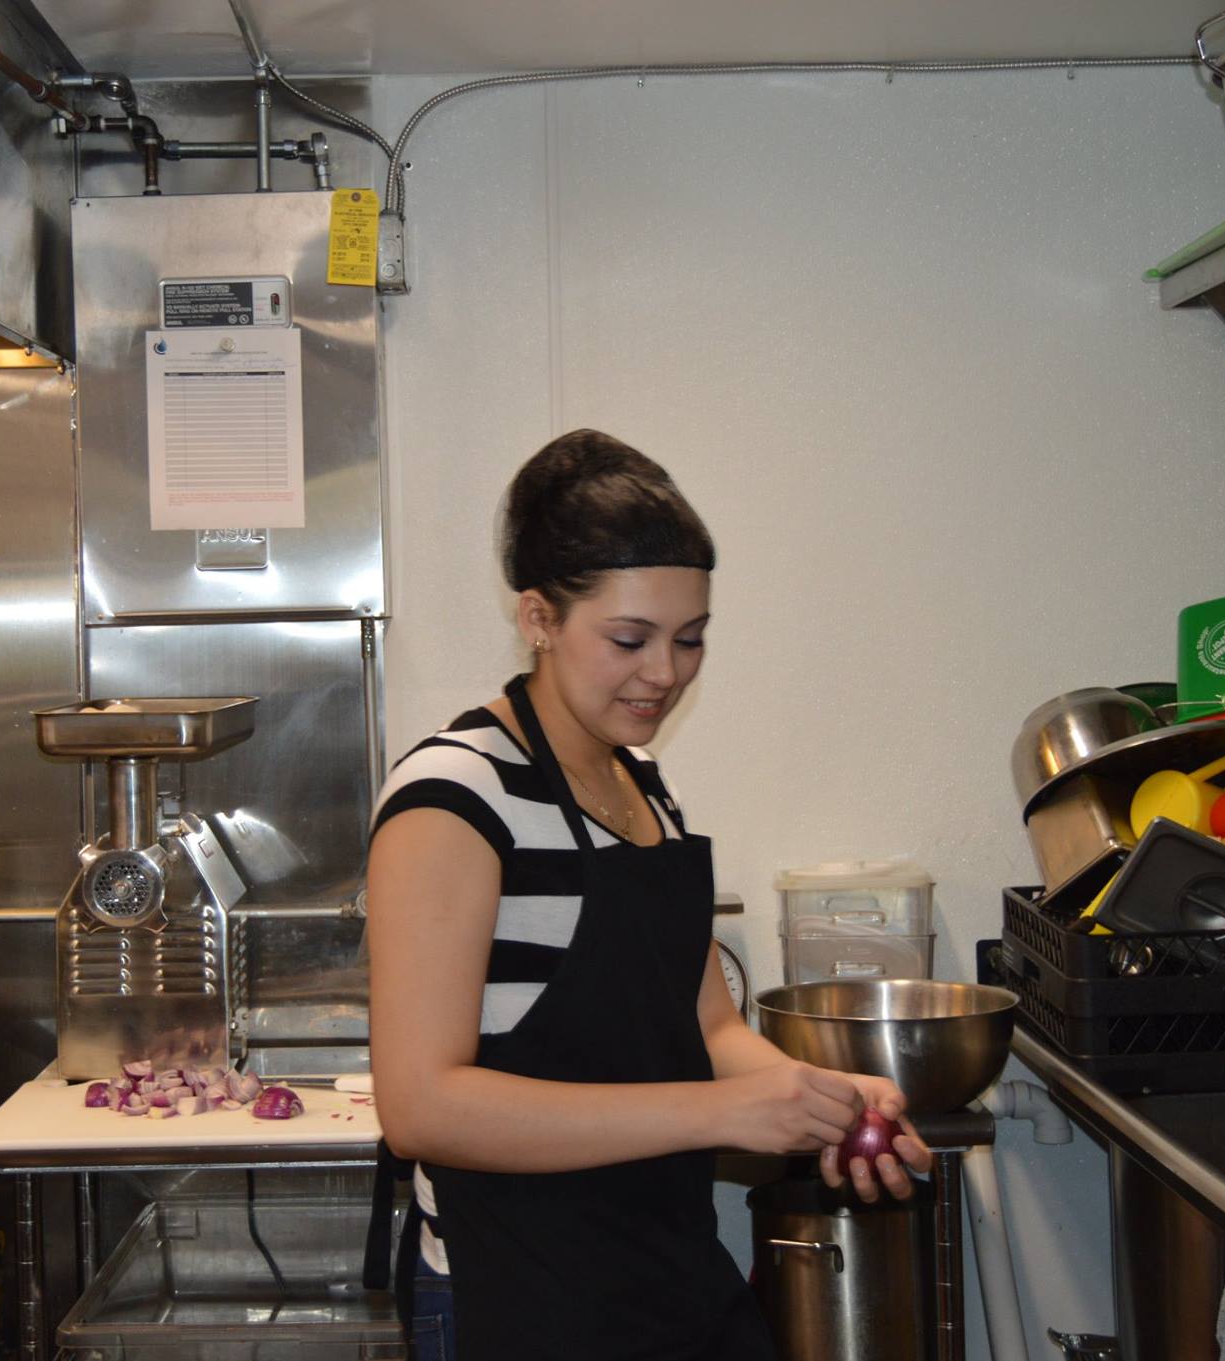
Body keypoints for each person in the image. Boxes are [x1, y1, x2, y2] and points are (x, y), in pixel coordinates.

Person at [366, 429, 933, 1361]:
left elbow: (709, 1027)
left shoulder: (643, 787)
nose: (665, 672)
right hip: (524, 1300)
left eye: (690, 638)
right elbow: (422, 1105)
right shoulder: (456, 797)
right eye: (629, 639)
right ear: (539, 617)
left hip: (667, 1280)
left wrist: (815, 1101)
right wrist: (723, 1115)